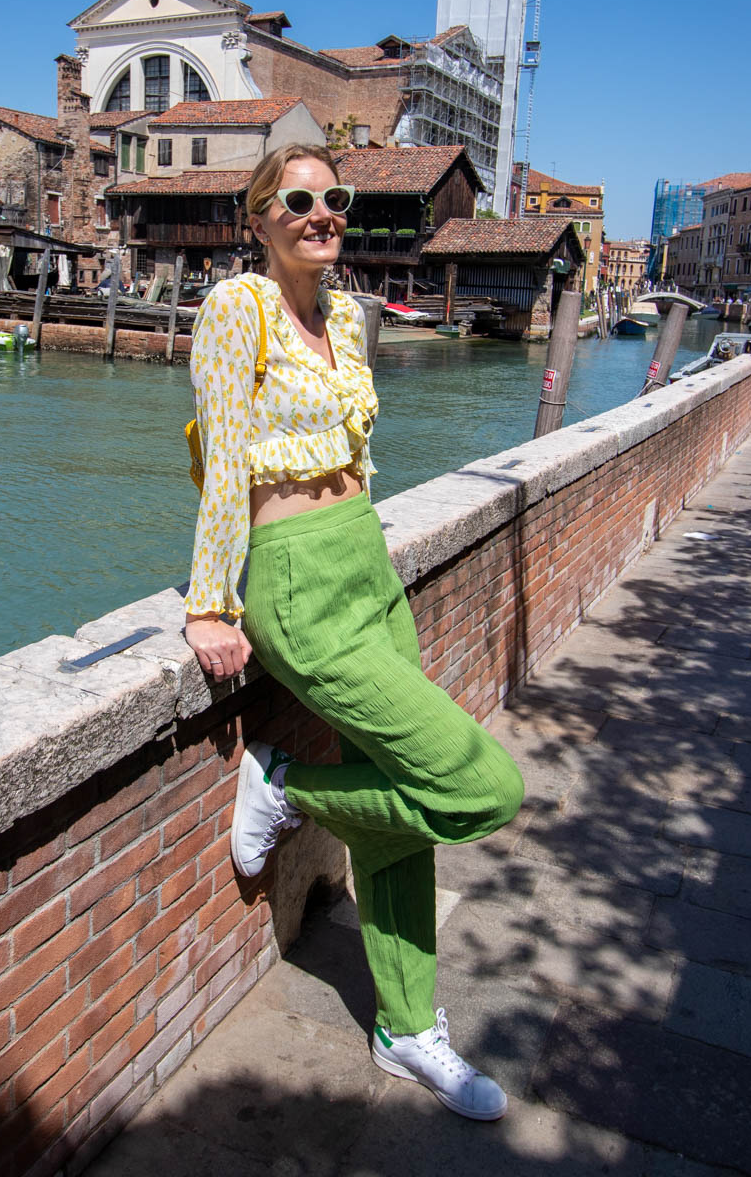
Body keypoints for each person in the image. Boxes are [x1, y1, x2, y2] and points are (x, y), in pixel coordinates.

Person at [184, 143, 524, 1122]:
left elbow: (360, 460)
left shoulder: (345, 311)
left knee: (407, 821)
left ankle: (406, 1027)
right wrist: (212, 601)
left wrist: (373, 562)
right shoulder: (234, 308)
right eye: (298, 199)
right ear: (259, 216)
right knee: (479, 785)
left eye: (336, 198)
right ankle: (286, 784)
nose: (321, 212)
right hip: (295, 578)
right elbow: (223, 459)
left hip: (366, 561)